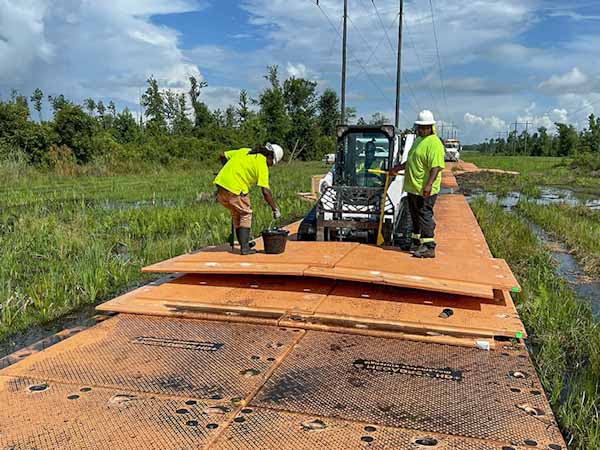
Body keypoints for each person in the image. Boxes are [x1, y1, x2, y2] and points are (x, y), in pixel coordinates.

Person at [390, 110, 445, 258]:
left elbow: (437, 166)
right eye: (419, 127)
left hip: (425, 189)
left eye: (424, 127)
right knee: (414, 215)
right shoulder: (419, 140)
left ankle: (429, 247)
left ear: (431, 127)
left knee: (424, 215)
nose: (420, 129)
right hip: (413, 187)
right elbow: (412, 161)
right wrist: (398, 168)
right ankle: (415, 242)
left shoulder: (434, 143)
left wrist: (428, 185)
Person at [214, 143, 284, 255]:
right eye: (272, 163)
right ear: (270, 157)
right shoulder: (262, 164)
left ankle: (243, 243)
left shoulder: (245, 151)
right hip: (235, 188)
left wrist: (227, 169)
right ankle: (245, 248)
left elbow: (223, 155)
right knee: (246, 214)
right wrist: (275, 209)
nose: (270, 166)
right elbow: (265, 191)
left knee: (237, 213)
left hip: (221, 186)